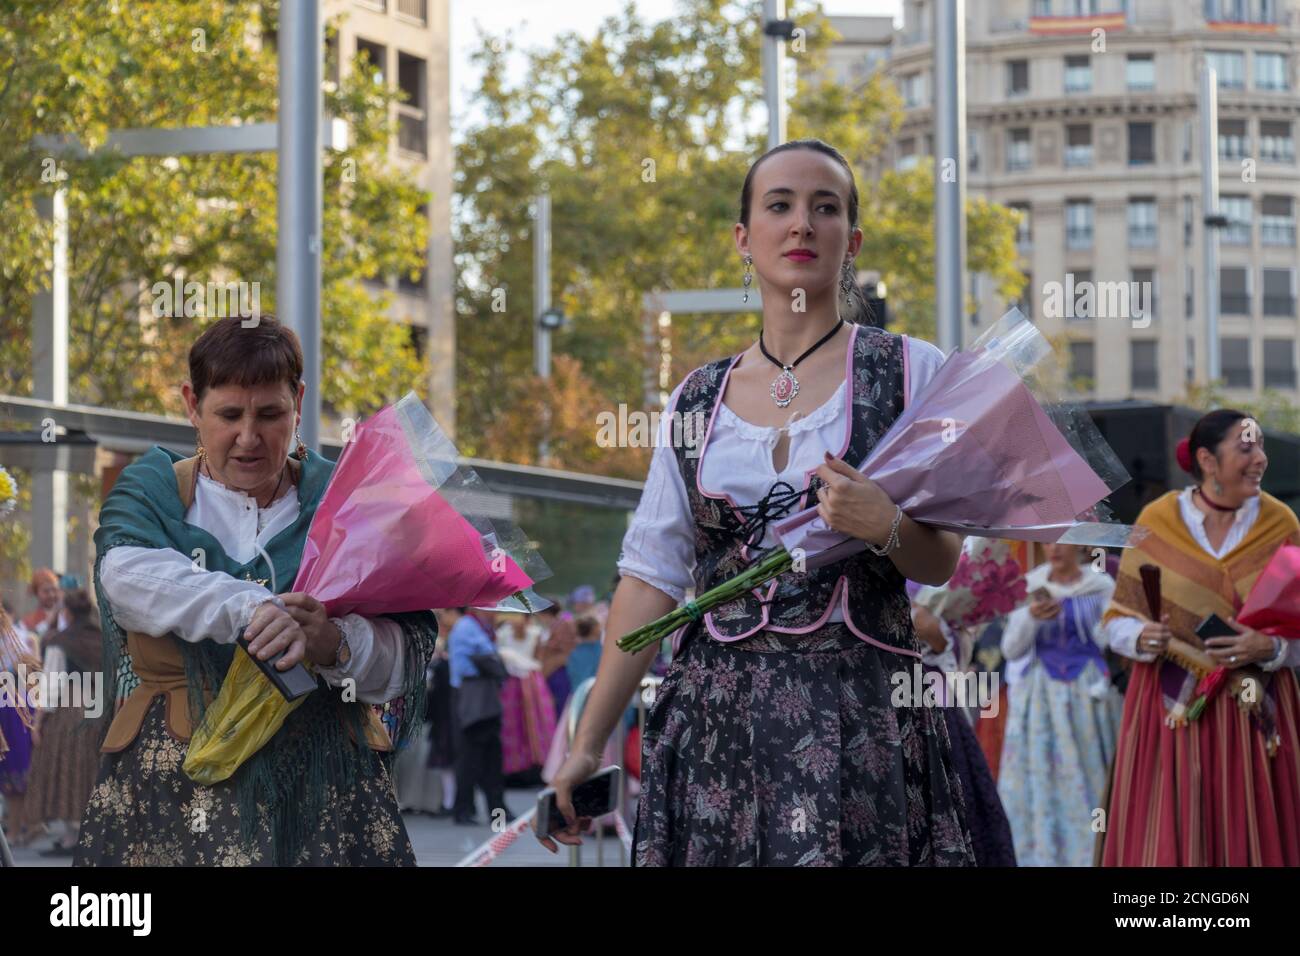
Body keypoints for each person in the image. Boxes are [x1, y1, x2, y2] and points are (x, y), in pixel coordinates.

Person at [539, 139, 973, 866]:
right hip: (715, 723)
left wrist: (887, 525)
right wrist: (589, 744)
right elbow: (649, 578)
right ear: (744, 239)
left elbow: (942, 560)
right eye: (780, 206)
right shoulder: (697, 398)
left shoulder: (909, 370)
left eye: (824, 208)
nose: (802, 224)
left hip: (859, 716)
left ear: (851, 240)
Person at [77, 316, 437, 866]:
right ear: (191, 405)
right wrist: (257, 608)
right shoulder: (152, 487)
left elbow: (403, 661)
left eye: (270, 414)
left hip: (323, 794)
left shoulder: (347, 500)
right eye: (228, 415)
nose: (248, 438)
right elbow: (126, 579)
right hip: (172, 794)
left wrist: (333, 642)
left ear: (298, 402)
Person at [1100, 410, 1300, 866]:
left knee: (1251, 834)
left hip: (1256, 702)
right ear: (1207, 460)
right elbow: (1116, 620)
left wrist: (1270, 647)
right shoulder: (1158, 519)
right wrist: (1142, 635)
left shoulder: (1281, 524)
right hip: (1171, 707)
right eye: (1247, 448)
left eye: (1262, 447)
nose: (1261, 460)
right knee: (1171, 832)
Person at [996, 544, 1122, 867]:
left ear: (1081, 546)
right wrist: (1030, 618)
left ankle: (1096, 854)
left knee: (1092, 775)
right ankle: (1044, 855)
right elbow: (1010, 650)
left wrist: (1100, 627)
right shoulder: (1030, 586)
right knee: (1043, 776)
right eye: (1049, 541)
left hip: (1087, 695)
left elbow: (1112, 639)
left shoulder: (1101, 585)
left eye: (1062, 540)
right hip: (1043, 699)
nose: (1054, 548)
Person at [911, 602, 1016, 867]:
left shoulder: (935, 588)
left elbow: (953, 647)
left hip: (938, 708)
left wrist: (933, 629)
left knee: (956, 793)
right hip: (878, 697)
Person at [23, 589, 107, 857]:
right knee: (90, 769)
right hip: (99, 709)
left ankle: (74, 834)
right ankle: (84, 832)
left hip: (69, 710)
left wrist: (38, 721)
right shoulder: (103, 639)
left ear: (67, 613)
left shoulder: (61, 642)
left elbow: (51, 685)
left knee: (66, 769)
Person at [446, 607, 510, 826]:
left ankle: (497, 808)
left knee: (491, 757)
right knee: (470, 758)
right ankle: (463, 809)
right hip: (472, 698)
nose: (494, 610)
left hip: (484, 697)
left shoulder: (481, 627)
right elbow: (479, 662)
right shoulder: (467, 627)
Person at [495, 613, 556, 785]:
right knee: (512, 724)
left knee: (536, 724)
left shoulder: (535, 634)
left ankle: (538, 768)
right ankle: (512, 769)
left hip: (531, 682)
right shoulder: (503, 634)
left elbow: (539, 660)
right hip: (510, 682)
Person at [0, 602, 40, 847]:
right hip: (17, 706)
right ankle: (25, 824)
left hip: (12, 710)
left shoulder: (19, 640)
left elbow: (32, 678)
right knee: (14, 773)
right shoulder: (23, 639)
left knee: (15, 773)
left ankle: (19, 828)